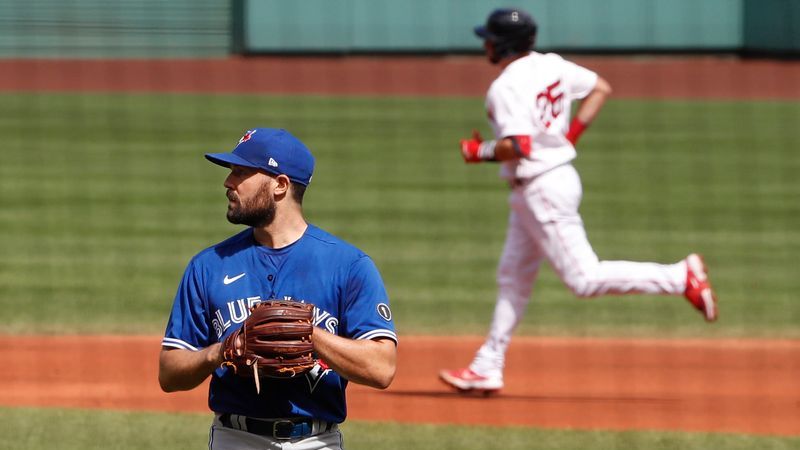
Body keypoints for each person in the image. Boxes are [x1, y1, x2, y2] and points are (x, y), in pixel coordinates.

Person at [439, 8, 717, 394]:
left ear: (502, 43)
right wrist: (571, 136)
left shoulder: (504, 87)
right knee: (513, 279)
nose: (484, 43)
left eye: (488, 37)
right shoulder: (553, 65)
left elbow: (518, 145)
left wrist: (478, 151)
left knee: (584, 279)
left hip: (541, 189)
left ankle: (678, 276)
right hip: (550, 183)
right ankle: (488, 364)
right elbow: (601, 87)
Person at [158, 128, 397, 449]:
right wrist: (221, 351)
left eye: (241, 173)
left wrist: (308, 335)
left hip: (317, 441)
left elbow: (381, 369)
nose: (228, 183)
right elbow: (169, 374)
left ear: (280, 185)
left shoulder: (349, 265)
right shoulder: (208, 265)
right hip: (235, 439)